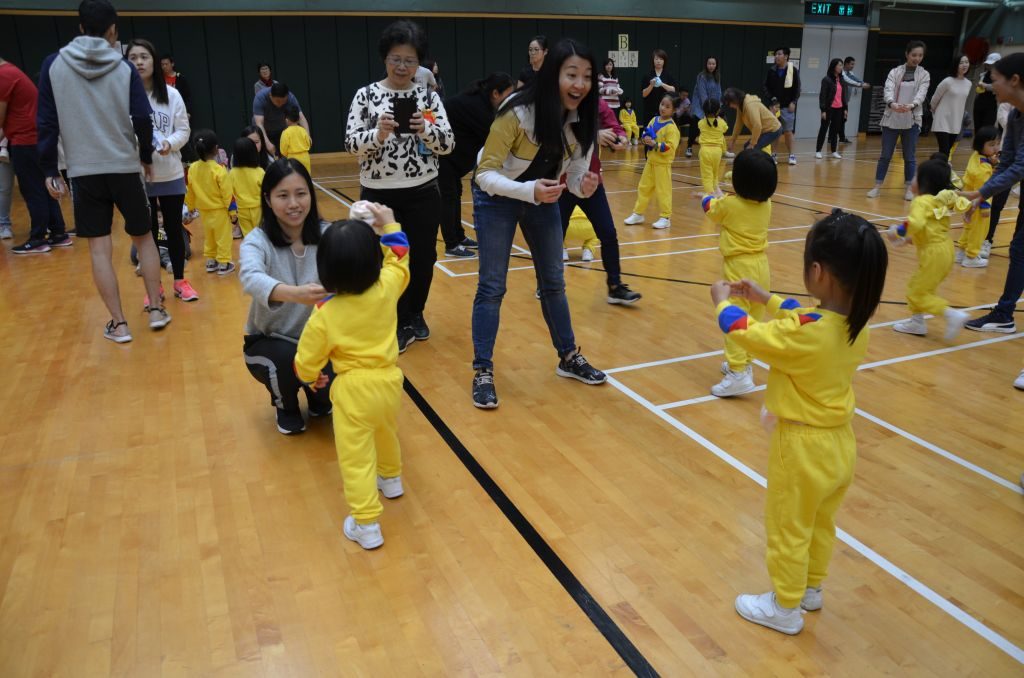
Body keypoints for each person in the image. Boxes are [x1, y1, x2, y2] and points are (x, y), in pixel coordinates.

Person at [714, 209, 888, 636]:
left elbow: (746, 332)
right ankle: (810, 588)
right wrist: (768, 298)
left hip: (801, 448)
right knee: (820, 523)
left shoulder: (806, 334)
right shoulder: (855, 325)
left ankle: (784, 606)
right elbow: (805, 315)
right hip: (839, 446)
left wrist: (722, 301)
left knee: (788, 526)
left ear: (818, 272)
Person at [470, 37, 605, 409]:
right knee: (492, 287)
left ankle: (568, 356)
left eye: (587, 76)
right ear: (552, 75)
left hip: (541, 197)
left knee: (554, 282)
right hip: (496, 197)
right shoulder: (517, 111)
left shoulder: (584, 119)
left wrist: (582, 185)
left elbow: (574, 174)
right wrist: (529, 191)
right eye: (571, 74)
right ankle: (482, 370)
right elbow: (484, 174)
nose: (579, 84)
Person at [38, 0, 168, 343]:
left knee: (99, 250)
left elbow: (47, 122)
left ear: (81, 28)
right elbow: (142, 118)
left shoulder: (53, 65)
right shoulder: (124, 68)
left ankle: (120, 325)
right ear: (113, 31)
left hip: (83, 172)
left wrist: (49, 168)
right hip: (124, 167)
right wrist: (145, 156)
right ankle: (156, 310)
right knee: (144, 238)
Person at [293, 203, 410, 551]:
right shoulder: (386, 287)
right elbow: (399, 259)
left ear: (325, 268)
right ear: (373, 261)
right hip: (389, 381)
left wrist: (310, 377)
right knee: (385, 431)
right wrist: (390, 224)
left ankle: (366, 523)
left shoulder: (325, 312)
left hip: (352, 390)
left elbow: (305, 360)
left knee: (356, 459)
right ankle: (391, 479)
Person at [344, 20, 453, 353]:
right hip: (378, 195)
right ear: (385, 58)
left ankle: (414, 314)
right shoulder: (366, 95)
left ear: (419, 63)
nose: (402, 66)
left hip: (423, 192)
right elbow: (351, 144)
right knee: (384, 259)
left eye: (409, 60)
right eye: (396, 59)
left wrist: (425, 130)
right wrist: (377, 134)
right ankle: (394, 317)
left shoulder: (428, 98)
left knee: (423, 257)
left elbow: (447, 144)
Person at [240, 158, 333, 435]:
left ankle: (318, 397)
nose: (294, 203)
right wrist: (297, 294)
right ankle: (286, 406)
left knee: (330, 390)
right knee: (287, 358)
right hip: (269, 342)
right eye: (283, 195)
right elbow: (250, 277)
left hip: (319, 342)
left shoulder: (328, 234)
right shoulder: (257, 240)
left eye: (301, 193)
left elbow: (355, 260)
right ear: (268, 200)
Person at [963, 53, 1024, 374]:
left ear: (1014, 80)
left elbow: (1020, 166)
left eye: (995, 79)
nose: (991, 85)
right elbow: (1009, 160)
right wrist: (982, 192)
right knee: (1019, 250)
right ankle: (1003, 315)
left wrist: (981, 192)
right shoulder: (1015, 116)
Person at [126, 38, 198, 304]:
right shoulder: (123, 96)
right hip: (138, 176)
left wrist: (169, 143)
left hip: (170, 173)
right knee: (148, 233)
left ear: (154, 62)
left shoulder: (172, 95)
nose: (139, 62)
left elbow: (183, 130)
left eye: (144, 57)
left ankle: (180, 280)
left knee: (172, 228)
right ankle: (154, 288)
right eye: (133, 58)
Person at [702, 149, 776, 397]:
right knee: (753, 319)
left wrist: (708, 196)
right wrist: (731, 184)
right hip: (761, 267)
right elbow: (746, 188)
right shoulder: (767, 204)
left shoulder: (730, 205)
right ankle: (745, 365)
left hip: (738, 268)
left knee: (734, 319)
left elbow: (711, 208)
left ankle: (737, 372)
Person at [559, 97, 642, 304]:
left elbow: (613, 124)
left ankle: (615, 287)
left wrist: (620, 137)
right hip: (561, 182)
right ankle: (546, 285)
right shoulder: (559, 102)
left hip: (591, 181)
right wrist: (595, 135)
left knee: (608, 233)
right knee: (554, 236)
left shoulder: (597, 103)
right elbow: (559, 132)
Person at [885, 157, 971, 340]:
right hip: (946, 250)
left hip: (934, 254)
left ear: (924, 182)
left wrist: (897, 232)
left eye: (915, 175)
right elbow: (929, 229)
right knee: (921, 287)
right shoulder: (938, 200)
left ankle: (950, 314)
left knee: (915, 292)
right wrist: (908, 240)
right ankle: (917, 322)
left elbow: (915, 223)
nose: (912, 178)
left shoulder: (921, 201)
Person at [438, 72, 514, 257]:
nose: (510, 101)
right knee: (448, 198)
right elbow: (495, 137)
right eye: (508, 95)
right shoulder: (477, 107)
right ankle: (451, 245)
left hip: (453, 160)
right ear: (495, 93)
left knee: (455, 195)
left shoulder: (481, 102)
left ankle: (458, 236)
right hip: (442, 157)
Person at [0, 56, 70, 254]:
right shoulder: (11, 71)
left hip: (25, 141)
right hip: (35, 139)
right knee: (44, 187)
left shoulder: (3, 76)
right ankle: (58, 233)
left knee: (33, 190)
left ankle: (38, 238)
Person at [868, 41, 930, 201]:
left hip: (912, 119)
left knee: (909, 157)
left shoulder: (924, 74)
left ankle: (909, 188)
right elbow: (888, 89)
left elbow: (922, 94)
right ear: (907, 54)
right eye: (914, 55)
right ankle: (877, 187)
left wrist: (912, 105)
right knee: (885, 155)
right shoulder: (895, 72)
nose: (917, 58)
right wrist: (892, 104)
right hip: (892, 118)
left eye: (920, 55)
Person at [623, 93, 680, 230]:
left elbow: (670, 147)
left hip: (662, 165)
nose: (663, 108)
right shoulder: (654, 120)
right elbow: (645, 133)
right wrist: (645, 139)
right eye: (662, 104)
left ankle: (665, 217)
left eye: (667, 106)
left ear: (674, 110)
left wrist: (656, 144)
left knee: (663, 191)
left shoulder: (672, 128)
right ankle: (638, 213)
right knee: (643, 188)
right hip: (650, 163)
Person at [186, 129, 236, 275]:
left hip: (204, 212)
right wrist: (233, 212)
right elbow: (228, 194)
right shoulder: (219, 170)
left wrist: (190, 207)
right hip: (219, 211)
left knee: (210, 236)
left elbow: (190, 190)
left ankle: (211, 261)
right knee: (223, 237)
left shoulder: (192, 168)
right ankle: (224, 263)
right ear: (216, 149)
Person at [955, 127, 999, 268]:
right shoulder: (984, 169)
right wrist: (985, 207)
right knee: (978, 230)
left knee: (968, 227)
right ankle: (971, 256)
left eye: (997, 143)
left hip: (967, 200)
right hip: (978, 205)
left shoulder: (976, 156)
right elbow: (983, 190)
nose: (996, 148)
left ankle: (961, 252)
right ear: (981, 145)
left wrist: (992, 164)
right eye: (991, 145)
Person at [763, 47, 801, 165]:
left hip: (787, 106)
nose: (776, 56)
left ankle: (792, 155)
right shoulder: (772, 70)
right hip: (774, 107)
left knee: (788, 132)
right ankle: (773, 154)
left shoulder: (793, 70)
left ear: (786, 56)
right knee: (775, 131)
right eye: (776, 54)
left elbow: (797, 88)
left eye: (779, 54)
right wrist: (772, 99)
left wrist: (793, 102)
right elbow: (765, 87)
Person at [930, 54, 973, 159]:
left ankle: (937, 166)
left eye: (966, 62)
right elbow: (934, 100)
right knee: (944, 151)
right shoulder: (947, 81)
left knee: (947, 151)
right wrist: (935, 113)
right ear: (955, 65)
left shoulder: (968, 83)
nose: (964, 65)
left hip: (956, 121)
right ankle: (939, 168)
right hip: (942, 120)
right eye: (961, 63)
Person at [253, 82, 309, 157]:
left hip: (281, 129)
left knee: (284, 156)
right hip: (263, 131)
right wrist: (267, 143)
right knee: (264, 157)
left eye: (284, 101)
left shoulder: (290, 97)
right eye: (278, 101)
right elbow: (259, 123)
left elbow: (301, 117)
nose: (281, 104)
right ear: (270, 95)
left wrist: (307, 136)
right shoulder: (260, 98)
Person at [723, 87, 783, 155]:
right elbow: (738, 125)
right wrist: (732, 141)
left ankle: (763, 161)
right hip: (765, 131)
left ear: (734, 100)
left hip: (773, 130)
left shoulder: (750, 106)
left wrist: (752, 144)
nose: (730, 106)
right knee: (746, 147)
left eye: (729, 104)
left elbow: (757, 126)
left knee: (751, 150)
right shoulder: (740, 105)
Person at [229, 137, 265, 236]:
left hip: (242, 209)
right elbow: (266, 191)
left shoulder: (232, 173)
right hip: (259, 208)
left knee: (249, 236)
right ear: (254, 153)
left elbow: (229, 193)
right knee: (262, 235)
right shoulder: (260, 171)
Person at [690, 56, 722, 157]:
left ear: (716, 65)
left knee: (719, 121)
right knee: (696, 124)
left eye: (713, 64)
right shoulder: (702, 76)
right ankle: (689, 146)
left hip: (712, 105)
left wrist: (718, 107)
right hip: (700, 105)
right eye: (709, 64)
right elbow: (702, 94)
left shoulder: (717, 76)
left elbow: (718, 92)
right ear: (706, 64)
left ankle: (718, 147)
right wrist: (707, 110)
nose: (711, 66)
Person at [815, 59, 846, 160]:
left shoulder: (841, 79)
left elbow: (843, 96)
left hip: (839, 108)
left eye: (842, 65)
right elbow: (822, 96)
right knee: (823, 129)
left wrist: (845, 108)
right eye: (839, 65)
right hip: (829, 108)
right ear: (834, 66)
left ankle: (834, 151)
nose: (841, 67)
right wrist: (823, 110)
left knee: (835, 130)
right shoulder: (827, 79)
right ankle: (818, 151)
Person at [696, 97, 727, 196]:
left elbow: (701, 125)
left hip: (705, 151)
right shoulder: (722, 123)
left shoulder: (701, 123)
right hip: (717, 152)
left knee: (707, 175)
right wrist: (719, 119)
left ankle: (710, 194)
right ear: (718, 110)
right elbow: (725, 129)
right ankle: (716, 190)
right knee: (715, 173)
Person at [641, 49, 677, 124]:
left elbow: (673, 90)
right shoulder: (647, 75)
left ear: (664, 61)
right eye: (656, 59)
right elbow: (644, 94)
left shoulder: (668, 75)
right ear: (653, 60)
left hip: (665, 111)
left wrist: (662, 84)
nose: (658, 61)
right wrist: (651, 85)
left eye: (661, 59)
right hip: (650, 110)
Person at [839, 56, 870, 143]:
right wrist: (861, 85)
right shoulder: (842, 73)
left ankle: (841, 138)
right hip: (839, 101)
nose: (853, 66)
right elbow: (849, 81)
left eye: (854, 64)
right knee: (838, 120)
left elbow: (855, 79)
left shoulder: (850, 73)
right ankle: (833, 138)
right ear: (846, 64)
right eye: (851, 64)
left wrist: (863, 83)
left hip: (845, 101)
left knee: (843, 119)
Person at [279, 106, 312, 175]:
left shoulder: (285, 133)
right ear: (298, 119)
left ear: (286, 120)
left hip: (292, 159)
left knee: (294, 177)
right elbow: (309, 143)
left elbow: (283, 150)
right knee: (306, 176)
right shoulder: (303, 130)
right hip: (305, 158)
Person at [974, 53, 1001, 132]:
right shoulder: (982, 75)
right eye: (988, 64)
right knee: (977, 129)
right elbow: (980, 88)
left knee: (987, 130)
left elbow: (998, 88)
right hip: (979, 103)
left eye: (992, 64)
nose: (989, 66)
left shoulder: (1001, 76)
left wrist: (985, 86)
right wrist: (979, 86)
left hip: (991, 106)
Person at [159, 54, 192, 119]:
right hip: (165, 112)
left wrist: (188, 112)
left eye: (166, 64)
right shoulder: (159, 79)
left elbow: (187, 97)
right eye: (162, 65)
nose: (164, 66)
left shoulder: (180, 78)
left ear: (172, 64)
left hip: (178, 110)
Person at [0, 130, 12, 240]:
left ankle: (42, 222)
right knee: (5, 189)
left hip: (24, 146)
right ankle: (4, 225)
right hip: (4, 154)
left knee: (31, 188)